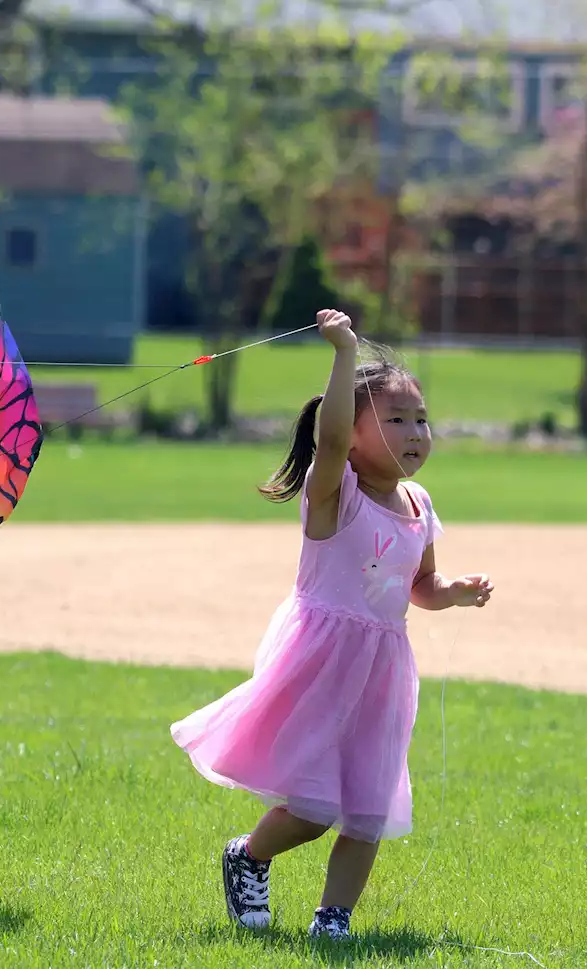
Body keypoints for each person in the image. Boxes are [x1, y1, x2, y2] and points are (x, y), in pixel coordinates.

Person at [170, 309, 494, 942]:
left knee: (369, 807)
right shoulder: (335, 493)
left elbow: (418, 587)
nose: (414, 432)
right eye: (395, 420)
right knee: (315, 808)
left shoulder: (418, 505)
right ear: (355, 429)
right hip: (322, 663)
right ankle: (249, 856)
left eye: (421, 419)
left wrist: (450, 592)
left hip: (383, 670)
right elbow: (332, 441)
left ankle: (333, 919)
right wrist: (344, 352)